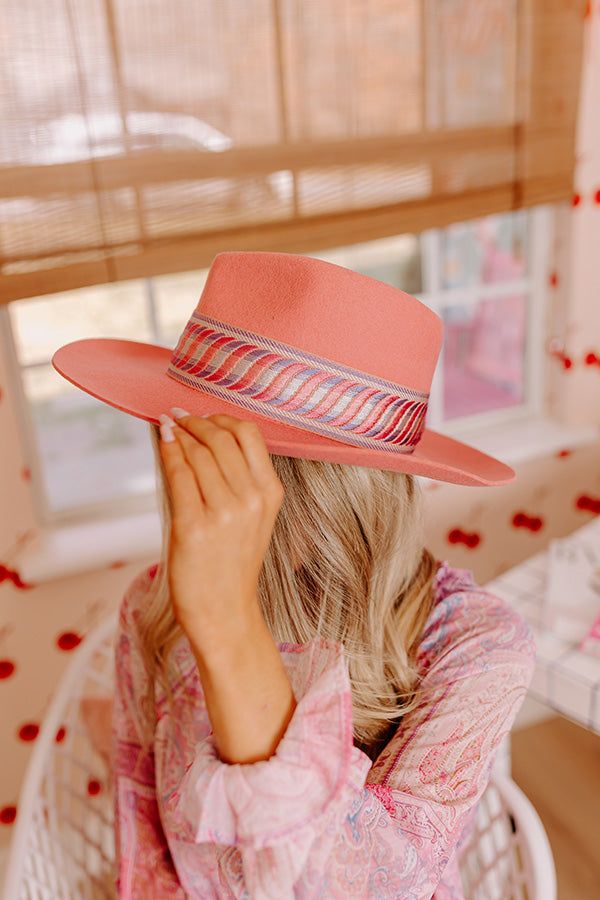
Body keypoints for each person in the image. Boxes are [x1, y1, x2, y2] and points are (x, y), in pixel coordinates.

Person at [51, 251, 536, 898]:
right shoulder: (154, 605)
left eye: (212, 461)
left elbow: (375, 888)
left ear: (332, 498)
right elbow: (146, 857)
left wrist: (227, 628)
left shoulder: (477, 648)